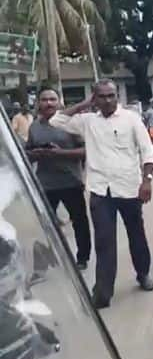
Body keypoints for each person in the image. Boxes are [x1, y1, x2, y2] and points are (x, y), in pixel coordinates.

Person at [50, 79, 153, 309]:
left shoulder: (131, 119)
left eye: (111, 95)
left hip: (129, 188)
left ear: (117, 96)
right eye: (102, 96)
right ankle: (103, 293)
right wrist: (82, 105)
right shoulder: (87, 122)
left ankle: (143, 274)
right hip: (100, 191)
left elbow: (147, 152)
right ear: (95, 98)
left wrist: (147, 181)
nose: (108, 100)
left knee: (136, 234)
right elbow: (56, 120)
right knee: (104, 242)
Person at [26, 87, 91, 270]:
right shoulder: (34, 127)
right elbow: (28, 153)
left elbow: (86, 151)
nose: (49, 103)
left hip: (71, 182)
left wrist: (59, 153)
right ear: (38, 103)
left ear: (60, 102)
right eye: (45, 99)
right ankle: (44, 263)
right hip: (46, 184)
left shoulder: (71, 124)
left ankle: (82, 258)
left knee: (79, 222)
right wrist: (37, 154)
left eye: (53, 99)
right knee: (44, 225)